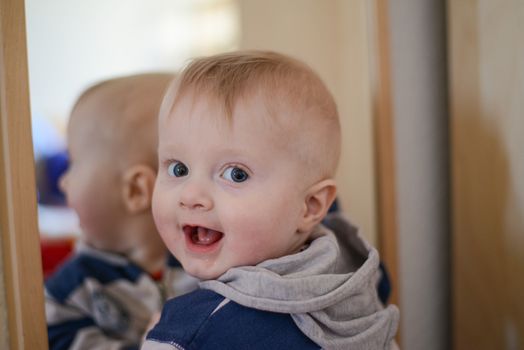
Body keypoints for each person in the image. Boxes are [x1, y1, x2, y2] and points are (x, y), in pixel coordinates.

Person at [143, 51, 399, 350]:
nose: (191, 196)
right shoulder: (355, 276)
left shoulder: (193, 329)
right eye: (178, 168)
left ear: (312, 206)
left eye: (236, 174)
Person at [45, 74, 197, 350]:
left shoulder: (209, 268)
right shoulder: (75, 289)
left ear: (136, 190)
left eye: (72, 162)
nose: (62, 181)